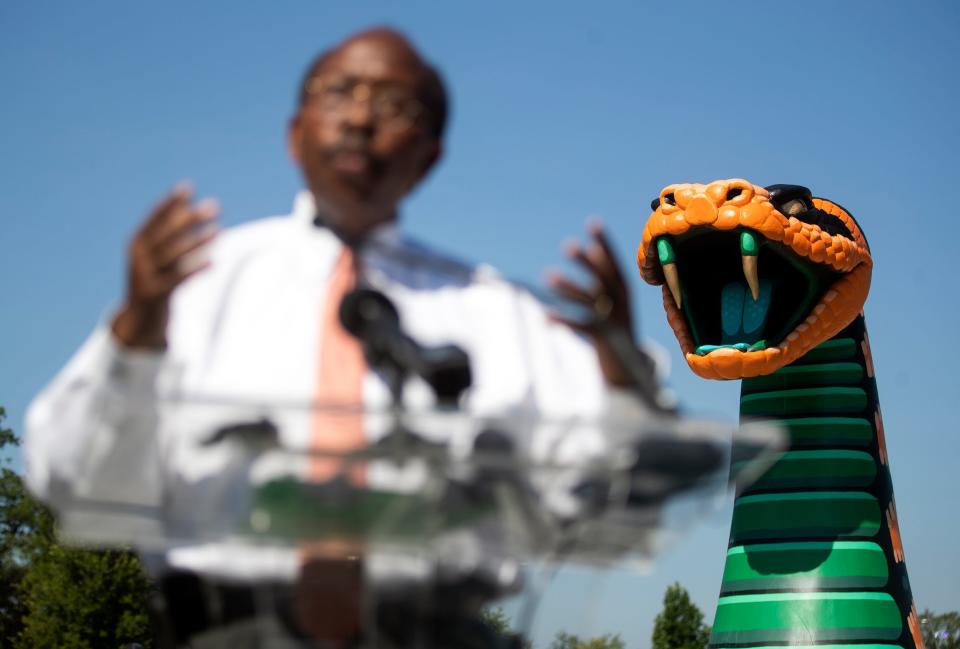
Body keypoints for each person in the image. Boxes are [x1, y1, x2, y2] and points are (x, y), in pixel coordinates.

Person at [25, 27, 655, 648]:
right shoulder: (194, 289)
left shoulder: (497, 314)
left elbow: (621, 518)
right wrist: (136, 331)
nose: (359, 117)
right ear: (295, 133)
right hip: (226, 627)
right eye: (338, 92)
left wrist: (621, 370)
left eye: (392, 104)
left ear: (430, 154)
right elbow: (68, 476)